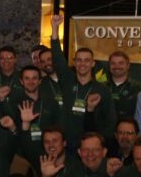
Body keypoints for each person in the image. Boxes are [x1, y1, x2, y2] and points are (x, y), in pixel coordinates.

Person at [49, 14, 115, 147]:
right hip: (66, 144)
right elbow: (57, 57)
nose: (82, 64)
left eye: (86, 60)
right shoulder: (67, 80)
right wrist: (55, 27)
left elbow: (110, 121)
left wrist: (103, 146)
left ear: (93, 63)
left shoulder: (102, 90)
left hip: (90, 147)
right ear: (74, 63)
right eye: (79, 60)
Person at [106, 50, 141, 121]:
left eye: (121, 63)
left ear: (128, 66)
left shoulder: (138, 88)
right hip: (106, 127)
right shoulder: (101, 88)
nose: (117, 66)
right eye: (113, 63)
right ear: (109, 66)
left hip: (129, 127)